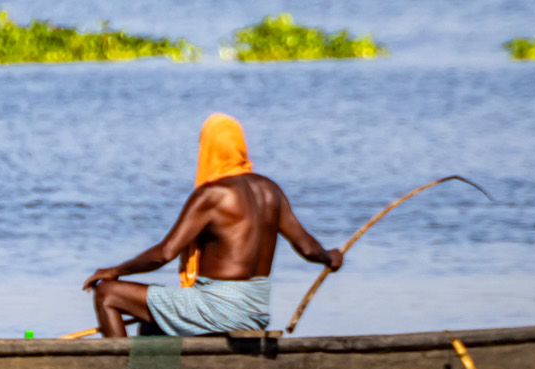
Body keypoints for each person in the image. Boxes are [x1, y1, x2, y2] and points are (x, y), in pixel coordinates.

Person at [82, 113, 343, 337]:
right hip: (256, 310)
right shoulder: (271, 191)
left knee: (108, 294)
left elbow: (164, 254)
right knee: (153, 317)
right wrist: (330, 257)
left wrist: (114, 271)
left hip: (218, 307)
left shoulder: (212, 194)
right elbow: (308, 248)